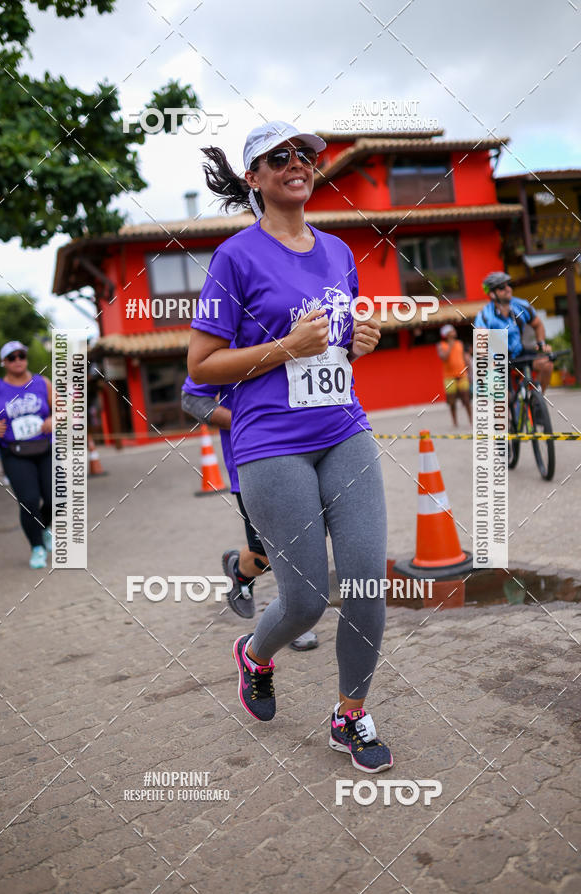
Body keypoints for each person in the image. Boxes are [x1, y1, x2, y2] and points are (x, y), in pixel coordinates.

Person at [188, 120, 393, 773]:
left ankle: (349, 716)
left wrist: (358, 342)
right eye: (279, 157)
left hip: (343, 429)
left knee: (365, 582)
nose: (297, 163)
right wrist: (283, 349)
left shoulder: (337, 251)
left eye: (305, 153)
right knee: (305, 598)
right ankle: (254, 654)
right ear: (254, 177)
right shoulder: (236, 257)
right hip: (271, 442)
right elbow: (201, 366)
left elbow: (336, 341)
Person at [181, 375, 318, 651]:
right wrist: (249, 423)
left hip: (312, 449)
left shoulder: (308, 332)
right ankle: (284, 611)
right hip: (255, 458)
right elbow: (192, 399)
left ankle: (242, 572)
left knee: (310, 540)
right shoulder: (229, 338)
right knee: (272, 552)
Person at [0, 341, 53, 568]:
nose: (18, 360)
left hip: (44, 447)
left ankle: (43, 528)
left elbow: (62, 408)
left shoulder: (43, 383)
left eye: (21, 355)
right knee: (29, 500)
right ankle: (37, 547)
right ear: (4, 362)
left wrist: (54, 418)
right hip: (14, 452)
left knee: (55, 498)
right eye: (11, 357)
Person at [475, 272, 553, 392]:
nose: (508, 289)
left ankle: (537, 400)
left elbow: (538, 325)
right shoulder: (484, 316)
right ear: (492, 293)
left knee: (547, 364)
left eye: (508, 285)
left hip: (519, 353)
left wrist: (541, 344)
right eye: (502, 287)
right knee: (503, 397)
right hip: (497, 359)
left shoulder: (521, 305)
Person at [436, 324, 472, 427]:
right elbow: (444, 358)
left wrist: (469, 372)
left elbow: (465, 359)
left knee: (466, 398)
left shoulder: (459, 343)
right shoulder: (441, 345)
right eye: (452, 331)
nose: (454, 332)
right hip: (449, 377)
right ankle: (455, 422)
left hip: (462, 375)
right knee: (452, 401)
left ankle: (471, 420)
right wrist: (450, 347)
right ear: (447, 334)